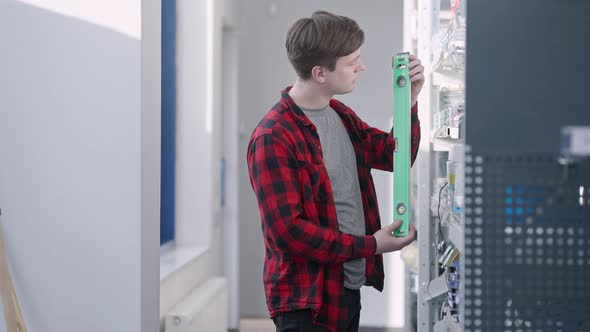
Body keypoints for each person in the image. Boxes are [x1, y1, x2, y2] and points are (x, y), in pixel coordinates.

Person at [247, 10, 424, 332]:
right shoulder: (273, 137)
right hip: (306, 301)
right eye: (351, 61)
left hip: (345, 284)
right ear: (320, 72)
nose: (362, 67)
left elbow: (393, 155)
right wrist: (372, 245)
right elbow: (289, 233)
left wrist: (407, 101)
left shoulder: (339, 114)